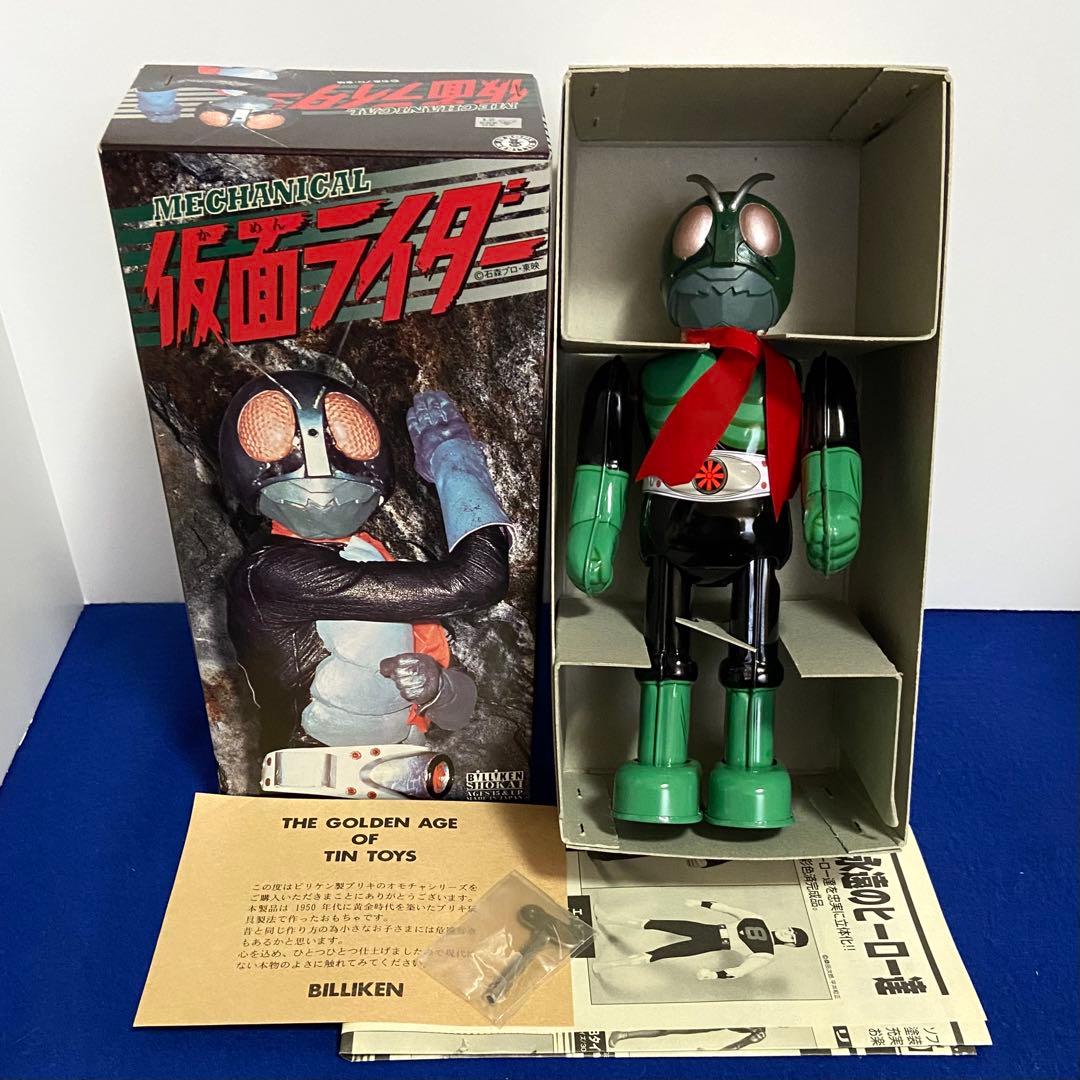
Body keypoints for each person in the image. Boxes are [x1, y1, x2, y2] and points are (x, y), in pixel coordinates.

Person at [595, 898, 809, 981]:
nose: (786, 933)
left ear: (791, 944)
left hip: (707, 944)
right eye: (790, 930)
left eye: (791, 936)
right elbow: (727, 908)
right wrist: (700, 903)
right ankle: (608, 919)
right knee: (652, 922)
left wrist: (713, 975)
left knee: (656, 955)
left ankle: (607, 966)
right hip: (706, 929)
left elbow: (739, 972)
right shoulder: (758, 919)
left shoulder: (765, 954)